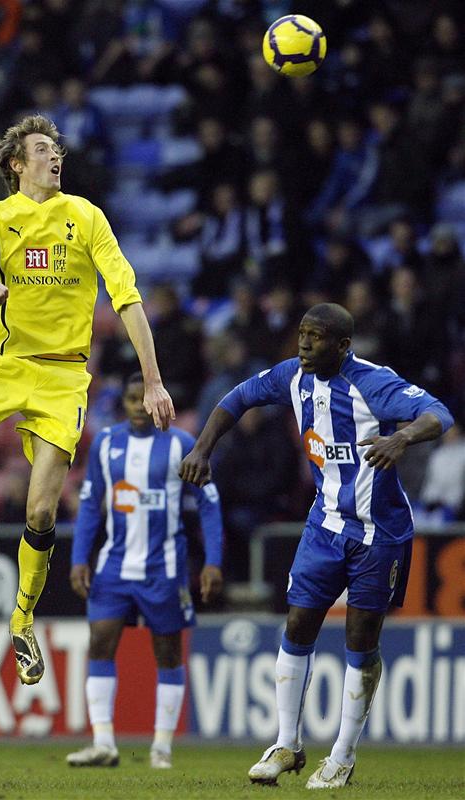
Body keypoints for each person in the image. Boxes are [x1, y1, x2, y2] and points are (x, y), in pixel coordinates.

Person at [0, 114, 175, 687]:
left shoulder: (86, 217)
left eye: (56, 148)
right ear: (17, 163)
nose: (54, 156)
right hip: (1, 365)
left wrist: (153, 379)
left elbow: (127, 298)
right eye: (41, 149)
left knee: (39, 512)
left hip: (62, 377)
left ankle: (22, 622)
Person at [179, 303, 454, 789]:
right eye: (302, 333)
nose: (304, 343)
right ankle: (287, 744)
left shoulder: (373, 383)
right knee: (298, 622)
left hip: (379, 532)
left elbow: (439, 414)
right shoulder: (292, 376)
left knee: (359, 641)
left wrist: (403, 438)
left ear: (343, 345)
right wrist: (203, 448)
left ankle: (343, 756)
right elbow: (236, 399)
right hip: (324, 524)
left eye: (317, 337)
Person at [66, 372, 223, 769]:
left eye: (144, 399)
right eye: (131, 400)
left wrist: (213, 562)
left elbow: (208, 504)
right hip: (114, 565)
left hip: (164, 568)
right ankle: (103, 743)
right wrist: (79, 557)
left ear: (157, 402)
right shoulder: (106, 443)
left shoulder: (181, 445)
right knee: (100, 641)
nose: (138, 406)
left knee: (168, 653)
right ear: (124, 403)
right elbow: (89, 504)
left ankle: (161, 748)